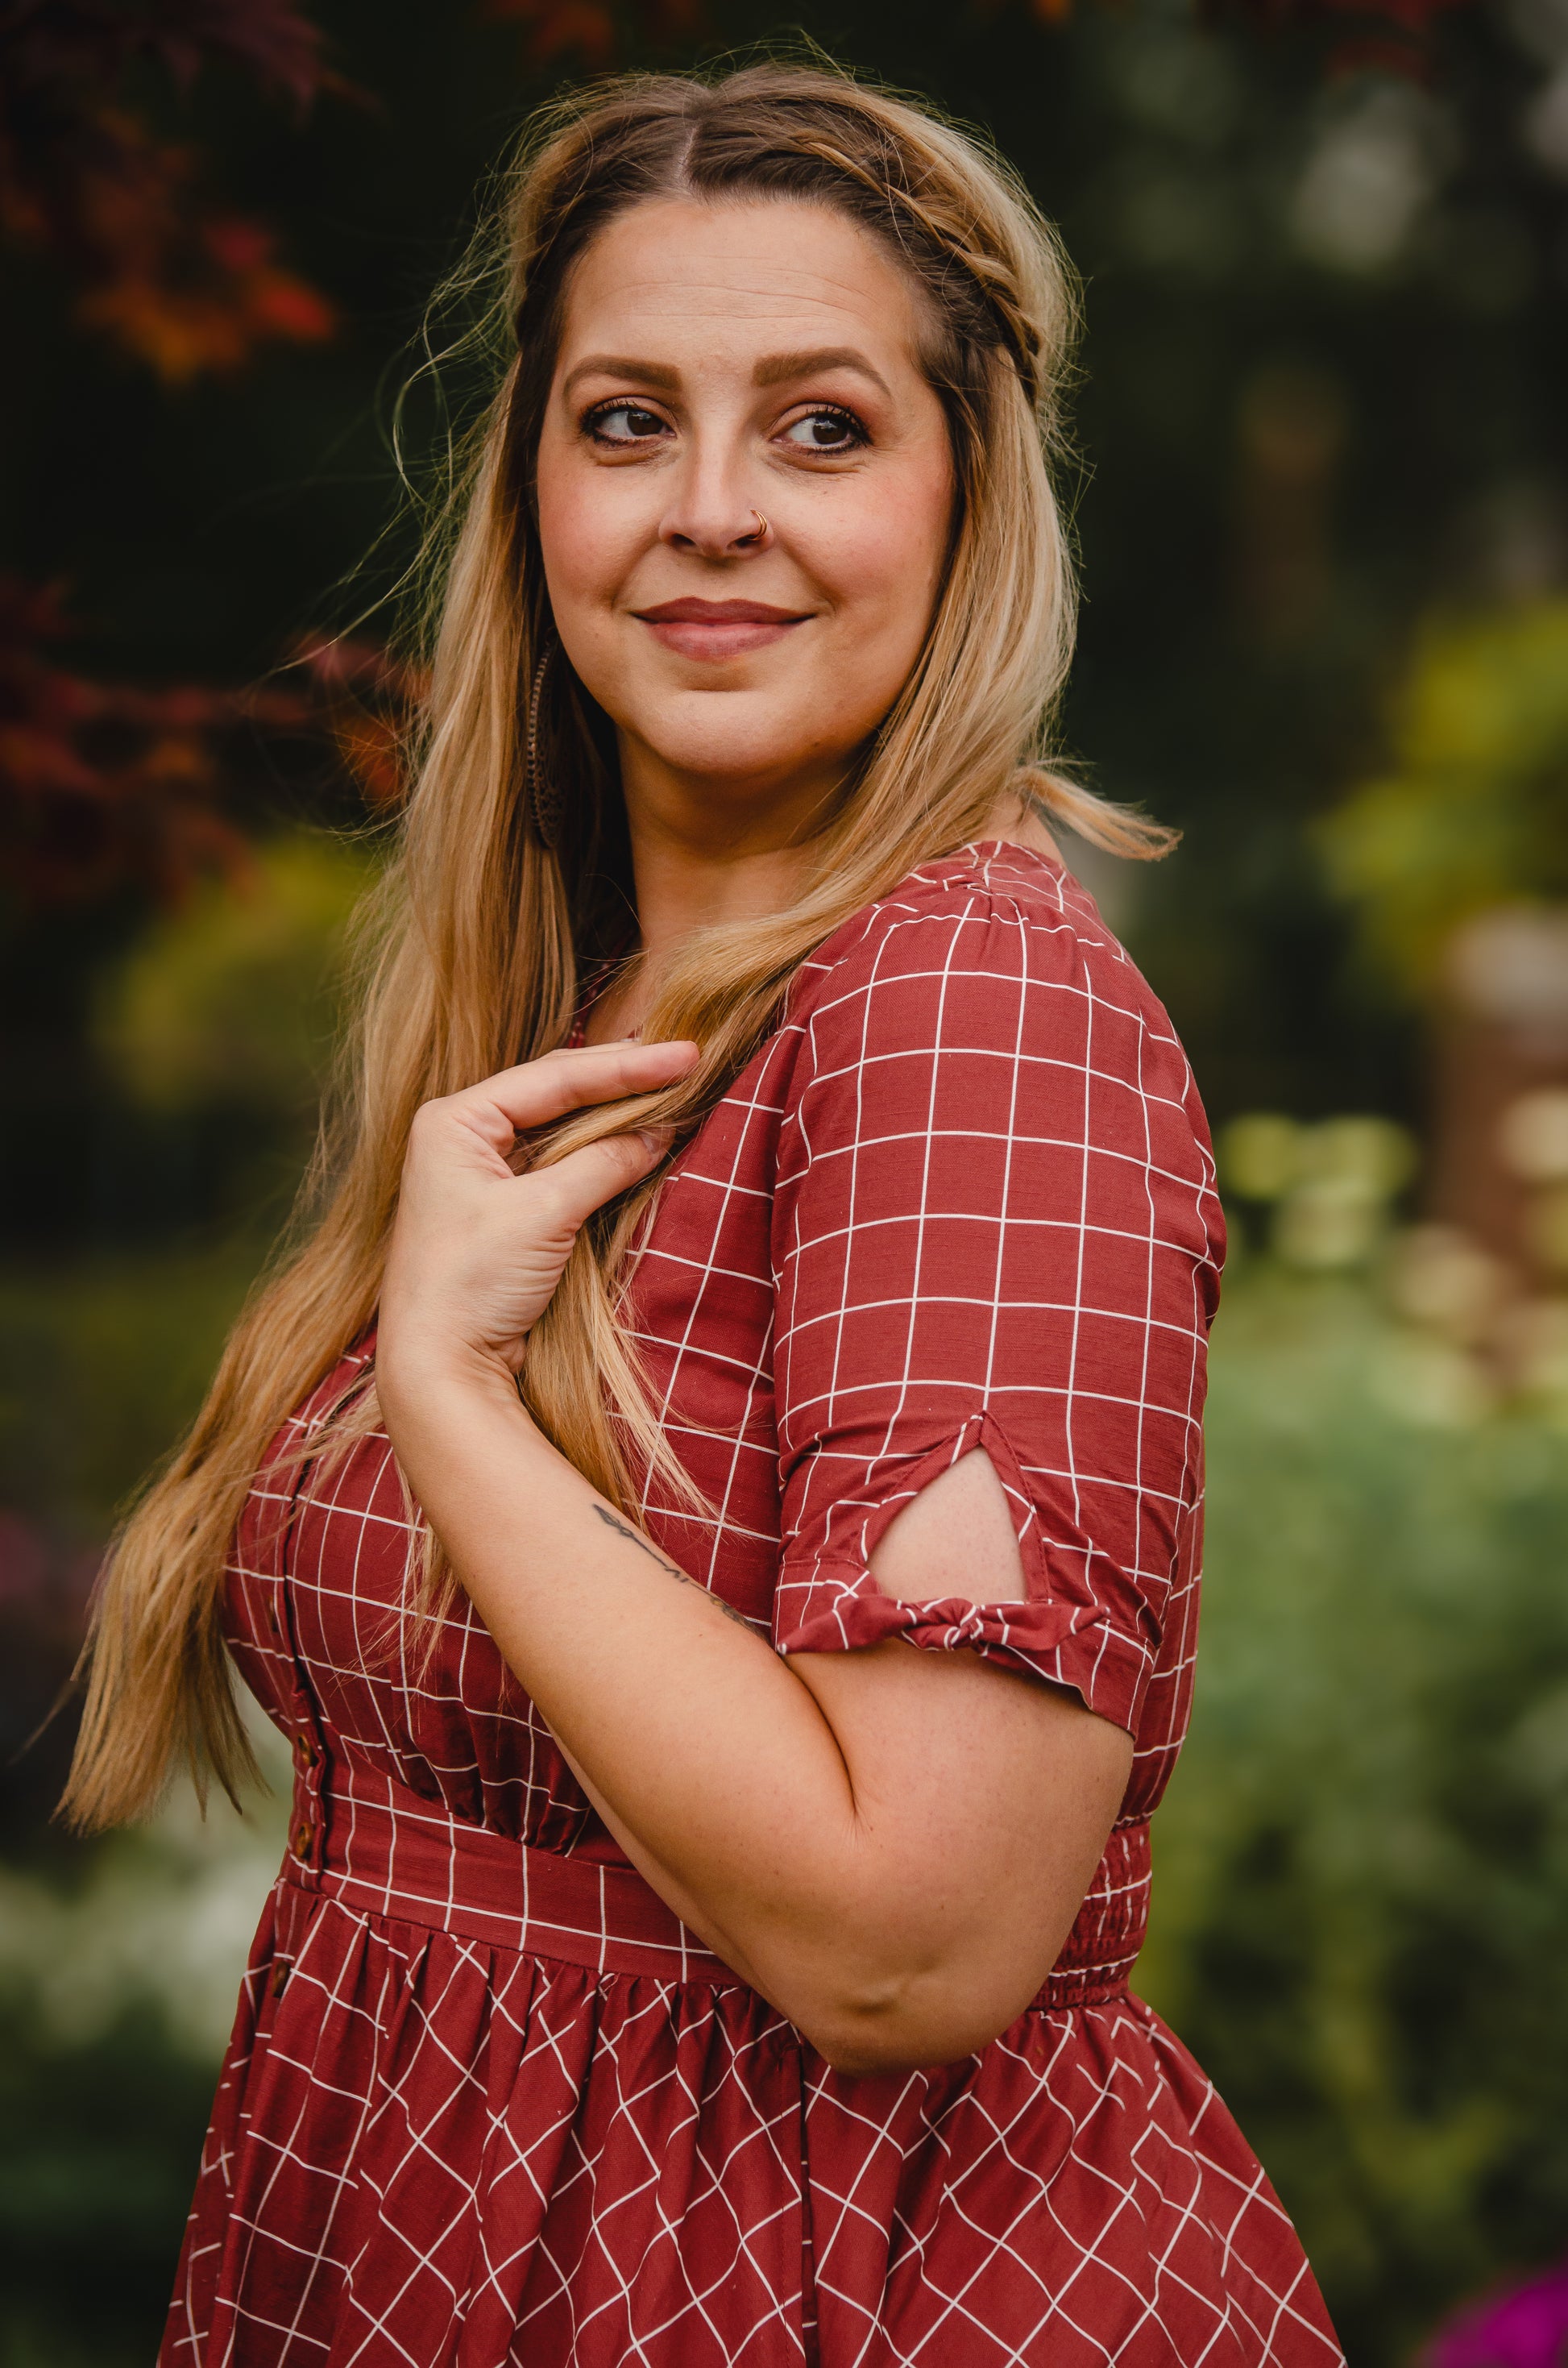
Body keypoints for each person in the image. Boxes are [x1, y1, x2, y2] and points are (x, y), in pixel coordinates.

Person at [65, 60, 1343, 2368]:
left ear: (970, 499)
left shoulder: (967, 1009)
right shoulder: (585, 1000)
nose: (712, 510)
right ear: (529, 482)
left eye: (825, 427)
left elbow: (905, 1939)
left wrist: (451, 1399)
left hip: (801, 2285)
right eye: (628, 419)